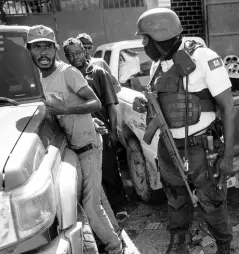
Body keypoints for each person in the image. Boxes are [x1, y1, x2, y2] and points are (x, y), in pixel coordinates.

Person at [133, 8, 235, 254]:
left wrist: (228, 156)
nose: (143, 43)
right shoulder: (157, 65)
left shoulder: (203, 58)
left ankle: (224, 246)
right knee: (175, 198)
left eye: (145, 38)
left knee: (211, 200)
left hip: (202, 147)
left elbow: (228, 108)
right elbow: (165, 101)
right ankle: (179, 243)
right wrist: (144, 103)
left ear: (160, 35)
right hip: (168, 147)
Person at [27, 25, 123, 254]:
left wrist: (67, 108)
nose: (43, 53)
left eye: (48, 47)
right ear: (29, 50)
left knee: (90, 205)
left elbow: (96, 103)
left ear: (55, 49)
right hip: (70, 150)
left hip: (88, 146)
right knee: (95, 196)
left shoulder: (67, 72)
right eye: (37, 47)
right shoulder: (39, 78)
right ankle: (115, 232)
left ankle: (114, 247)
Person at [63, 37, 129, 223]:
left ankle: (120, 206)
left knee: (109, 170)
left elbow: (110, 105)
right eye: (70, 55)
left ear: (84, 51)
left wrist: (113, 131)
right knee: (90, 177)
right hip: (79, 133)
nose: (75, 57)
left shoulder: (98, 72)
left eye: (78, 52)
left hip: (102, 131)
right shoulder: (67, 75)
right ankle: (100, 212)